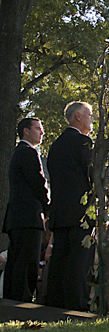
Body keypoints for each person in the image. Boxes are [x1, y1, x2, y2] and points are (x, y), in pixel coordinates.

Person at [45, 101, 95, 312]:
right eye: (89, 114)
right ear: (78, 117)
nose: (92, 119)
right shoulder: (83, 143)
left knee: (59, 259)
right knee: (79, 261)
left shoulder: (55, 146)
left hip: (59, 211)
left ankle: (53, 304)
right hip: (80, 213)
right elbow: (93, 176)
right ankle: (76, 306)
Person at [2, 117, 50, 302]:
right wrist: (48, 207)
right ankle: (22, 300)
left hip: (17, 218)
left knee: (15, 261)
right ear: (26, 131)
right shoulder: (28, 153)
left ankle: (11, 299)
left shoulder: (17, 153)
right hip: (28, 217)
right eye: (38, 128)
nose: (42, 132)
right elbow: (38, 182)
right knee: (27, 261)